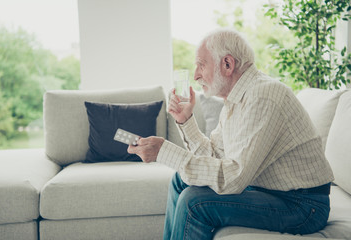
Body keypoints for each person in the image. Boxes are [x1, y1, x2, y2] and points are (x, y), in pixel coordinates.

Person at [127, 28, 334, 240]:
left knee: (195, 202)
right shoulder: (235, 101)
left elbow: (233, 178)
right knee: (181, 180)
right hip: (269, 191)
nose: (196, 74)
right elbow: (215, 155)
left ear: (227, 64)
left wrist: (164, 152)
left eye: (201, 64)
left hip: (303, 206)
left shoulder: (263, 97)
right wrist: (185, 120)